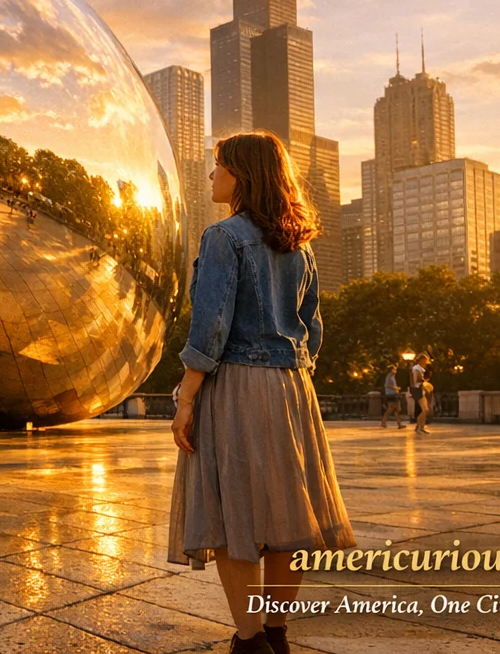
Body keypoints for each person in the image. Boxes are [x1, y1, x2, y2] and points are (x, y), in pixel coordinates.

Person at [168, 131, 355, 654]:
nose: (211, 175)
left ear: (241, 175)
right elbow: (313, 326)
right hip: (293, 388)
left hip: (238, 386)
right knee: (288, 519)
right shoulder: (299, 243)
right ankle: (277, 634)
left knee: (237, 519)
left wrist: (185, 398)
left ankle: (249, 643)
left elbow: (210, 327)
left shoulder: (223, 236)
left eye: (219, 166)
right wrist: (290, 371)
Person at [412, 354, 433, 434]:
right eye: (424, 360)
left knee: (425, 410)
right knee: (425, 410)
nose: (425, 362)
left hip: (420, 390)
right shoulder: (416, 369)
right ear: (420, 360)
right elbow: (415, 381)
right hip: (418, 390)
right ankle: (420, 427)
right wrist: (423, 383)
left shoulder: (420, 369)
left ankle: (419, 427)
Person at [380, 364, 405, 429]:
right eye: (394, 369)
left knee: (396, 410)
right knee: (390, 409)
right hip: (391, 395)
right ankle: (383, 422)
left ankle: (399, 424)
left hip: (394, 394)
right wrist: (396, 388)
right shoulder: (389, 377)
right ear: (391, 370)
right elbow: (387, 385)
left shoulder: (392, 377)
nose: (395, 370)